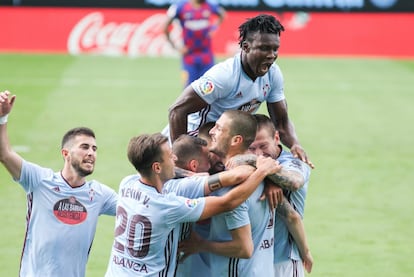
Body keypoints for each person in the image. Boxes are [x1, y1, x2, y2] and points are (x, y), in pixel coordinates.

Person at [104, 132, 280, 276]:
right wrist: (263, 171)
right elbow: (228, 202)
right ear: (157, 167)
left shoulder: (127, 183)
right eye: (169, 156)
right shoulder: (169, 206)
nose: (174, 157)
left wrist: (191, 175)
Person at [164, 13, 314, 168]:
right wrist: (181, 157)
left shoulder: (273, 74)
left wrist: (295, 144)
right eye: (264, 48)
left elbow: (281, 122)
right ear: (245, 47)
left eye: (275, 49)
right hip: (194, 137)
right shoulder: (224, 76)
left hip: (225, 141)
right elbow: (177, 111)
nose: (271, 55)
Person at [0, 90, 118, 277]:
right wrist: (2, 118)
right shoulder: (40, 180)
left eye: (94, 149)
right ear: (66, 154)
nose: (91, 153)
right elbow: (4, 154)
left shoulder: (100, 195)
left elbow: (136, 207)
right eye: (84, 147)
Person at [248, 114, 313, 276]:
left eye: (263, 146)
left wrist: (305, 251)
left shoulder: (294, 162)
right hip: (253, 259)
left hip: (283, 259)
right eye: (251, 148)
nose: (258, 154)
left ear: (276, 137)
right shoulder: (249, 164)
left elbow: (294, 182)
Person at [163, 0, 226, 86]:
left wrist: (214, 28)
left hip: (206, 55)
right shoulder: (180, 6)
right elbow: (165, 26)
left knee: (209, 87)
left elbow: (222, 14)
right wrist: (175, 47)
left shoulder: (210, 5)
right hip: (189, 55)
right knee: (189, 89)